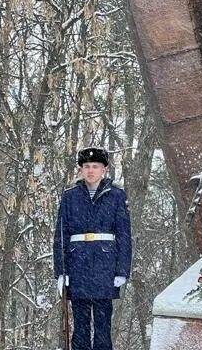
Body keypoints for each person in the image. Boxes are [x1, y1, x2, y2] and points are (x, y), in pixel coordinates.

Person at [54, 146, 132, 350]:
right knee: (80, 327)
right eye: (86, 166)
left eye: (95, 166)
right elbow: (60, 236)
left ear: (104, 170)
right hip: (77, 265)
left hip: (105, 267)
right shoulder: (70, 197)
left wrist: (122, 270)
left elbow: (124, 235)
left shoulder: (116, 196)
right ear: (80, 170)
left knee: (103, 326)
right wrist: (61, 272)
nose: (90, 171)